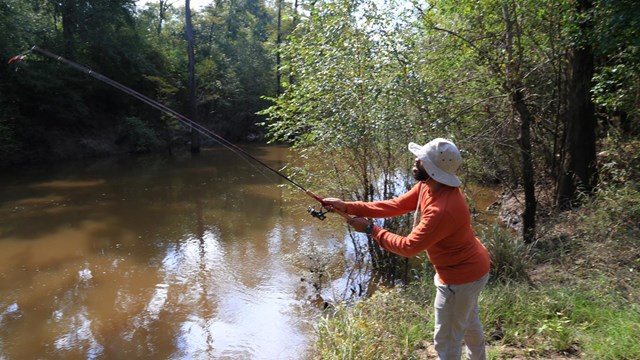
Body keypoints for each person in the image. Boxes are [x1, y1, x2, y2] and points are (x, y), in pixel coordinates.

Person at [323, 138, 491, 360]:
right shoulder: (428, 186)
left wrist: (371, 229)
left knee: (447, 340)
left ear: (431, 169)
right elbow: (397, 205)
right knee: (468, 322)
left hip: (460, 279)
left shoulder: (442, 210)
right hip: (472, 270)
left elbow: (408, 247)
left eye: (421, 160)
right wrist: (348, 206)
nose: (415, 161)